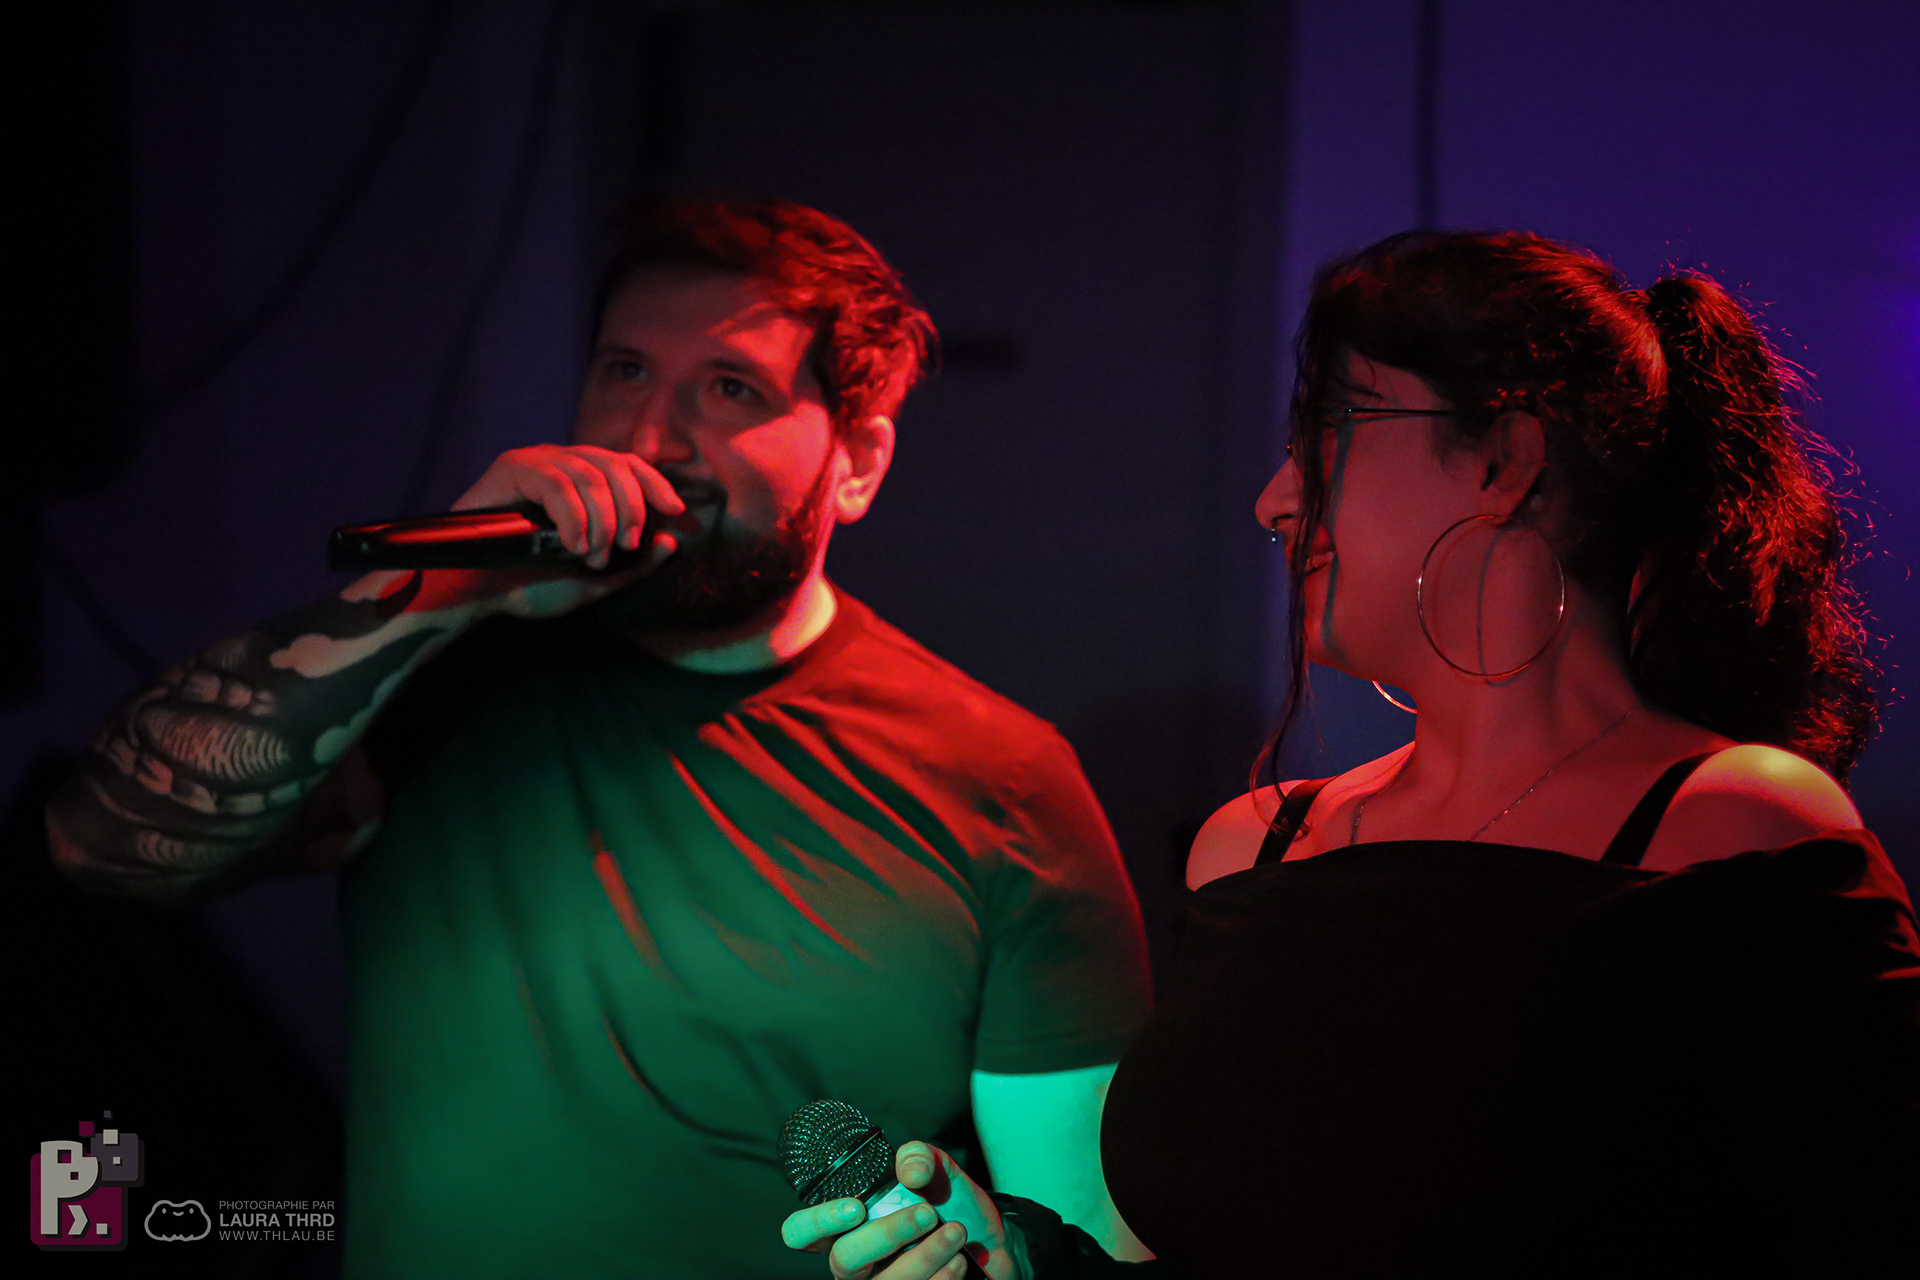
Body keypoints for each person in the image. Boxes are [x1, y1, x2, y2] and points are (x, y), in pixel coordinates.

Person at [47, 198, 1154, 1278]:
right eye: (625, 371)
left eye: (730, 388)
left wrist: (991, 1251)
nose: (650, 438)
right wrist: (436, 593)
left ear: (856, 462)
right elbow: (99, 842)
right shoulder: (442, 675)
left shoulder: (999, 777)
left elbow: (1092, 1237)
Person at [781, 231, 1920, 1278]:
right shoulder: (1256, 845)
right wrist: (1019, 1260)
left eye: (1328, 429)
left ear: (1505, 457)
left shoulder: (1728, 825)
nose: (1275, 500)